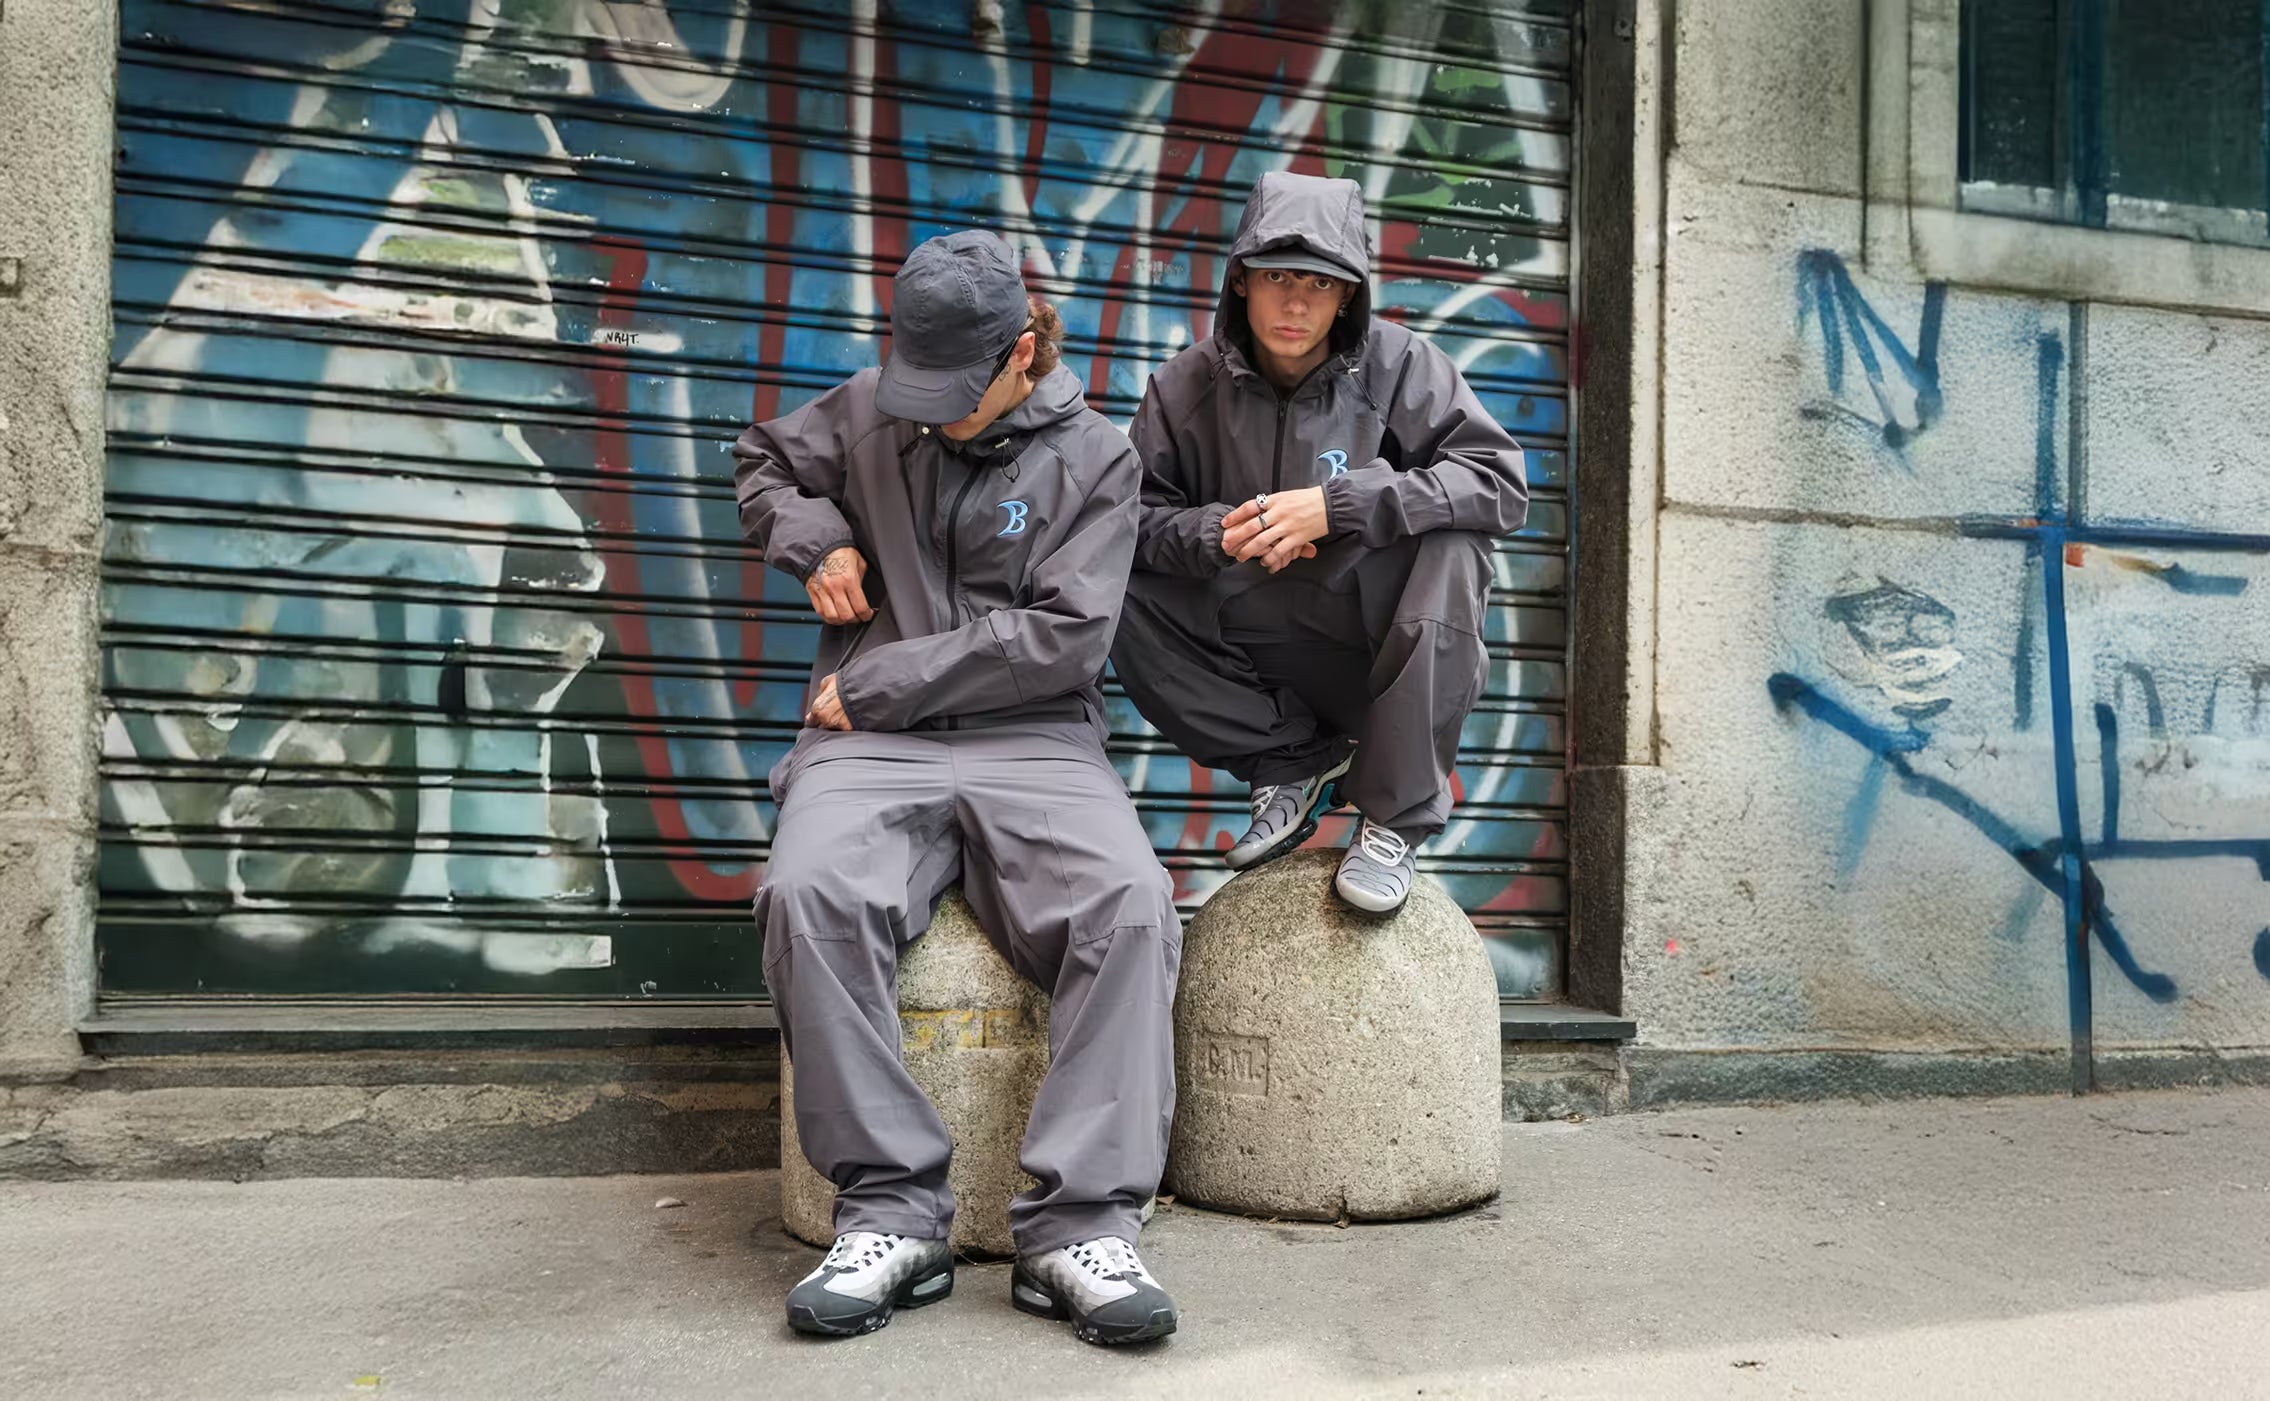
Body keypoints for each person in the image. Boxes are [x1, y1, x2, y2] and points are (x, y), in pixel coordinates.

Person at [735, 231, 1181, 1346]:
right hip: (868, 747)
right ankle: (889, 1212)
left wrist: (880, 675)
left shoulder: (1097, 461)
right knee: (809, 895)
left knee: (1130, 908)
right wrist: (813, 536)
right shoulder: (878, 405)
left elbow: (1066, 639)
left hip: (1030, 735)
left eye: (950, 394)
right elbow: (765, 461)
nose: (925, 416)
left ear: (1022, 350)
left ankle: (1078, 1226)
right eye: (911, 388)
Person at [1109, 171, 1529, 915]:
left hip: (1375, 651)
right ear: (1240, 282)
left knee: (1458, 548)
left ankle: (1392, 817)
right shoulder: (1181, 388)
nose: (1296, 302)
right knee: (1110, 584)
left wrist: (1341, 505)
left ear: (1349, 295)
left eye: (1319, 283)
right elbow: (1128, 520)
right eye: (1276, 278)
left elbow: (1498, 483)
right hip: (1255, 650)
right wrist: (1215, 532)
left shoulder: (1400, 366)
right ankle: (1289, 762)